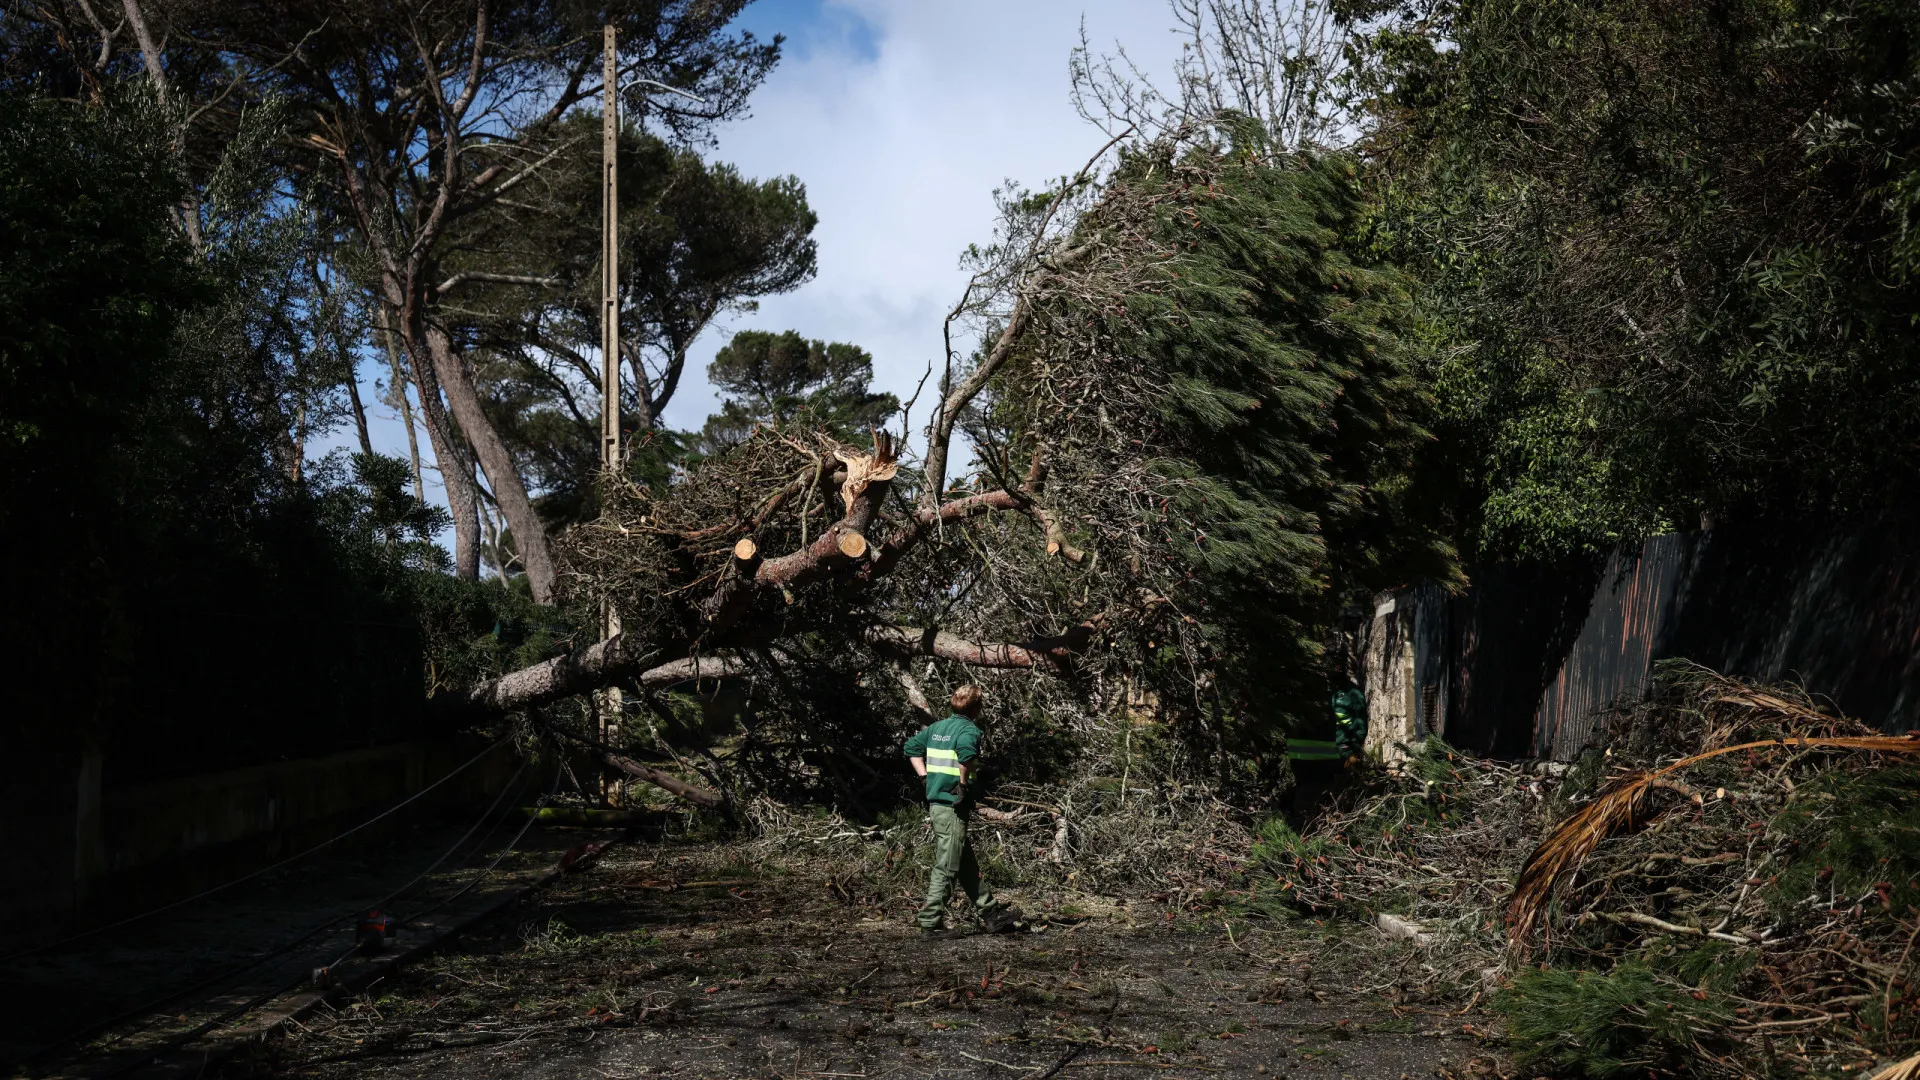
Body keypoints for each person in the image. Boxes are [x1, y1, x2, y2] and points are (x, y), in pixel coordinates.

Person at [903, 684, 1022, 936]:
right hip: (951, 807)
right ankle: (930, 924)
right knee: (947, 865)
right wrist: (963, 785)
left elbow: (911, 749)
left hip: (938, 805)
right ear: (977, 708)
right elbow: (966, 755)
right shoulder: (969, 730)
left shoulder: (936, 728)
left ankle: (990, 913)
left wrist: (924, 778)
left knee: (964, 863)